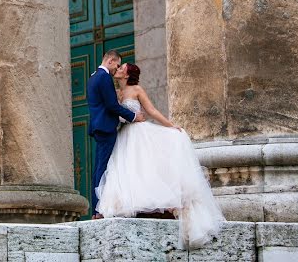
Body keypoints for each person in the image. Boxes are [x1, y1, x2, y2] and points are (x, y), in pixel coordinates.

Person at [95, 62, 225, 249]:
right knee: (127, 170)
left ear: (127, 74)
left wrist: (170, 125)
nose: (119, 69)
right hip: (123, 135)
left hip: (138, 134)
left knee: (144, 168)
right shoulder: (116, 93)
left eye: (122, 67)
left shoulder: (136, 89)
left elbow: (152, 110)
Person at [86, 50, 143, 218]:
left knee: (98, 168)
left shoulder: (93, 76)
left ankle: (97, 209)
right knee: (103, 168)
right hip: (106, 127)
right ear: (110, 61)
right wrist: (133, 116)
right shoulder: (103, 77)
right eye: (117, 65)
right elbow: (112, 105)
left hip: (99, 126)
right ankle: (99, 210)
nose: (116, 69)